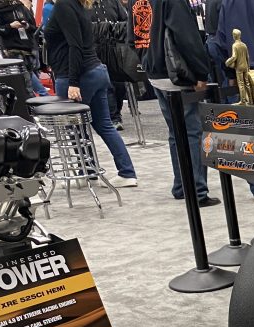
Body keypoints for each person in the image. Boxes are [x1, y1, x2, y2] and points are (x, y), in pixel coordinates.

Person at [45, 0, 138, 186]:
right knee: (103, 125)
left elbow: (75, 46)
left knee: (76, 129)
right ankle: (125, 172)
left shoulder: (65, 6)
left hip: (78, 75)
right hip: (94, 71)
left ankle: (87, 172)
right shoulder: (78, 6)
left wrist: (73, 82)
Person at [144, 0, 219, 206]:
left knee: (175, 131)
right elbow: (186, 37)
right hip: (176, 72)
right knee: (193, 131)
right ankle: (196, 190)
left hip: (156, 69)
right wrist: (200, 71)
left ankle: (181, 185)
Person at [0, 0, 49, 95]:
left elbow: (33, 26)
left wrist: (26, 25)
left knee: (30, 76)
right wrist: (10, 26)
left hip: (28, 48)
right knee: (27, 79)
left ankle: (40, 97)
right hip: (12, 50)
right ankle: (41, 97)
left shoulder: (20, 7)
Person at [90, 0, 130, 129]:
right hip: (96, 49)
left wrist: (114, 27)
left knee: (119, 85)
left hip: (115, 48)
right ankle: (113, 117)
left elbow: (126, 20)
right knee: (107, 85)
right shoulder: (84, 5)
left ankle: (116, 113)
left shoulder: (112, 2)